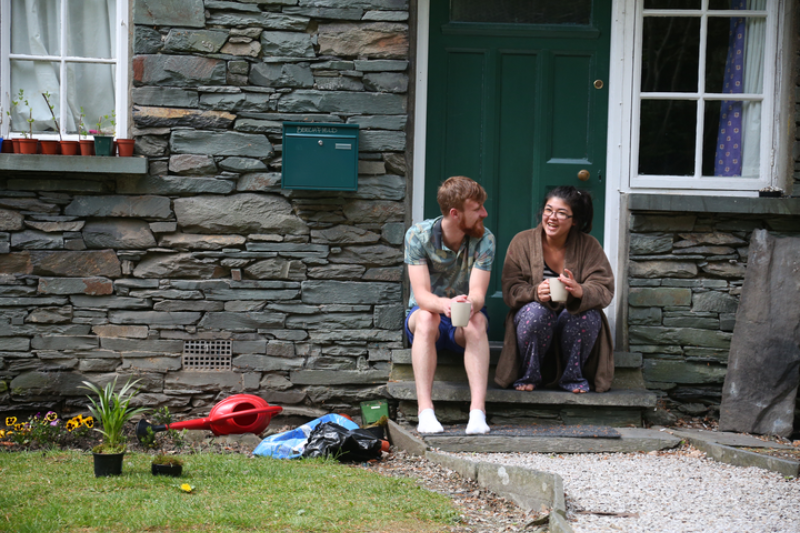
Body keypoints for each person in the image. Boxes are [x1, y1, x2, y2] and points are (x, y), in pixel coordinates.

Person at [495, 186, 614, 394]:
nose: (552, 217)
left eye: (561, 213)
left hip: (572, 320)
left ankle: (572, 377)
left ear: (574, 220)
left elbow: (604, 289)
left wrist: (580, 291)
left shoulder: (589, 246)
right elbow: (510, 289)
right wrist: (534, 293)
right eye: (548, 210)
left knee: (587, 316)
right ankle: (529, 375)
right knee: (536, 313)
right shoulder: (522, 241)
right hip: (536, 321)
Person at [404, 176, 495, 434]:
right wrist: (445, 304)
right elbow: (421, 295)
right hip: (427, 315)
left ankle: (477, 413)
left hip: (463, 318)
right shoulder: (418, 236)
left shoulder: (485, 239)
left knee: (476, 320)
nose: (484, 213)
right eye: (477, 209)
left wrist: (467, 303)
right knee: (425, 317)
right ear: (455, 214)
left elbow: (478, 293)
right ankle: (425, 411)